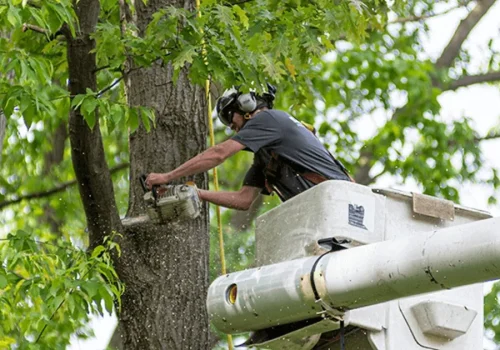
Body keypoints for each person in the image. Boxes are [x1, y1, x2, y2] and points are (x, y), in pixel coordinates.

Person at [145, 83, 353, 210]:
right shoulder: (267, 158)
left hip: (343, 202)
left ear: (246, 104)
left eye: (229, 117)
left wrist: (167, 177)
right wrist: (195, 193)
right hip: (324, 208)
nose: (232, 127)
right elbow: (243, 200)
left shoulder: (269, 119)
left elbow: (219, 153)